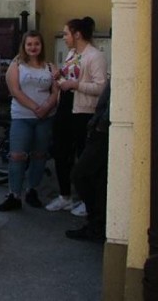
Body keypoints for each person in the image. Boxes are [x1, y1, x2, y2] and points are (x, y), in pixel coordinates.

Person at [46, 17, 108, 214]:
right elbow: (68, 77)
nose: (64, 37)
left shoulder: (95, 56)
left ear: (77, 34)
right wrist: (59, 78)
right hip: (65, 107)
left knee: (83, 155)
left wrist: (76, 85)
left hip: (83, 111)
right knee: (61, 152)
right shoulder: (72, 53)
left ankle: (85, 199)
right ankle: (65, 195)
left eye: (66, 33)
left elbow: (101, 87)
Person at [0, 31, 59, 211]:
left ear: (42, 46)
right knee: (17, 156)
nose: (33, 47)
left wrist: (46, 107)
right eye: (29, 44)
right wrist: (35, 107)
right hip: (22, 117)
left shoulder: (49, 67)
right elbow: (15, 90)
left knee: (39, 155)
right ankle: (14, 194)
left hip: (45, 118)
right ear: (24, 46)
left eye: (36, 44)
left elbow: (56, 90)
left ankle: (32, 189)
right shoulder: (16, 65)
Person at [66, 80, 110, 242]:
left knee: (80, 175)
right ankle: (97, 225)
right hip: (99, 128)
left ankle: (97, 223)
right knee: (97, 179)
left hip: (103, 132)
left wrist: (101, 125)